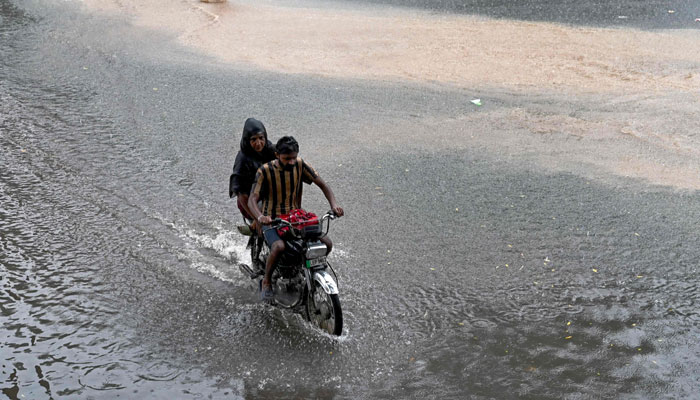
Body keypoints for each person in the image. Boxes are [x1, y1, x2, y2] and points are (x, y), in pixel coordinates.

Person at [248, 136, 344, 303]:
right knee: (279, 246)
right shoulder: (264, 171)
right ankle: (267, 281)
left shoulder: (300, 164)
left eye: (294, 157)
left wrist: (334, 205)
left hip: (296, 218)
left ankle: (304, 269)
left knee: (327, 243)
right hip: (272, 220)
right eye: (287, 159)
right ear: (277, 155)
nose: (292, 162)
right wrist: (260, 217)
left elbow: (323, 184)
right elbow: (252, 198)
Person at [229, 118, 276, 235]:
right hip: (249, 201)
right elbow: (241, 195)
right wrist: (256, 218)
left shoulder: (270, 150)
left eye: (261, 138)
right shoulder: (242, 159)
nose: (258, 143)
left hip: (268, 197)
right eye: (253, 139)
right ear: (247, 140)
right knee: (267, 231)